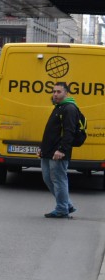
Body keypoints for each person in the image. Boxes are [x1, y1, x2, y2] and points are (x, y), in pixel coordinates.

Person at [40, 81, 81, 218]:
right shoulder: (58, 107)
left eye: (59, 92)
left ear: (66, 93)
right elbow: (52, 131)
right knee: (48, 178)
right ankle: (66, 204)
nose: (55, 94)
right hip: (48, 151)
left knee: (58, 179)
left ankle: (62, 208)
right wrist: (43, 149)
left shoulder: (69, 108)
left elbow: (69, 132)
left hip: (58, 152)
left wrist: (62, 150)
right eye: (54, 91)